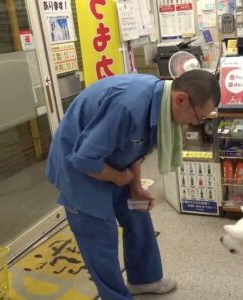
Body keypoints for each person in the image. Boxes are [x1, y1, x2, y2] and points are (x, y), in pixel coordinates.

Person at [46, 70, 220, 300]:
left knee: (137, 211)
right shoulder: (127, 106)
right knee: (100, 236)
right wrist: (119, 178)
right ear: (181, 99)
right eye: (198, 118)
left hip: (109, 159)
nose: (195, 124)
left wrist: (135, 185)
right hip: (78, 166)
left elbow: (135, 146)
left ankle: (144, 280)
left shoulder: (162, 100)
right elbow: (84, 159)